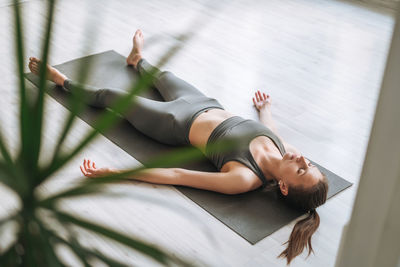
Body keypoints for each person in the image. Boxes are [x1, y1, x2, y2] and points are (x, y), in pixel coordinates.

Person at [28, 29, 328, 264]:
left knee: (112, 96)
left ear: (285, 187)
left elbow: (176, 175)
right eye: (309, 163)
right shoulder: (283, 147)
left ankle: (62, 81)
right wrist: (265, 110)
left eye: (301, 169)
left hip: (173, 122)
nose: (301, 158)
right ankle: (137, 60)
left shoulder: (244, 178)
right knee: (164, 76)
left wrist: (117, 172)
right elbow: (270, 129)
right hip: (205, 103)